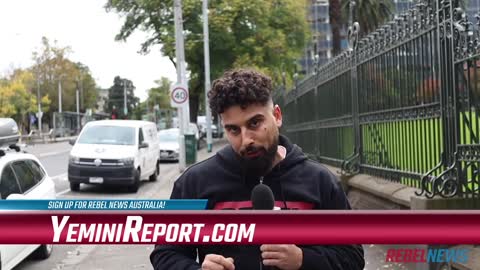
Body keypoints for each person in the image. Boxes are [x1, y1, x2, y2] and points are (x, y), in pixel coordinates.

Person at [150, 68, 365, 270]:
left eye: (254, 123)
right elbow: (165, 253)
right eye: (233, 130)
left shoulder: (319, 181)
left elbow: (352, 256)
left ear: (277, 116)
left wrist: (302, 260)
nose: (246, 140)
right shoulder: (194, 182)